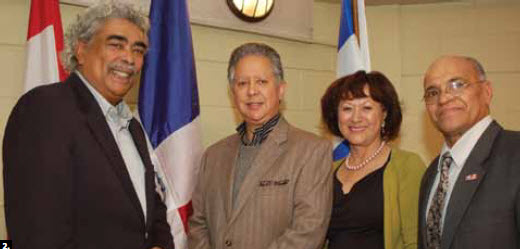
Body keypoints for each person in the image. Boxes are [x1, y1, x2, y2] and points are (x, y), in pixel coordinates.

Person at [2, 2, 174, 249]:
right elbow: (39, 234)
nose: (129, 58)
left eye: (138, 50)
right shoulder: (45, 109)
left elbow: (152, 209)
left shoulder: (133, 126)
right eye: (116, 45)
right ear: (81, 51)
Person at [188, 42, 333, 249]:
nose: (252, 91)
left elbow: (308, 231)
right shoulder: (213, 155)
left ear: (281, 90)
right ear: (232, 92)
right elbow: (198, 225)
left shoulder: (312, 151)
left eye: (262, 82)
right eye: (242, 83)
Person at [418, 55, 520, 249]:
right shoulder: (432, 174)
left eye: (457, 84)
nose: (444, 98)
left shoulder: (515, 154)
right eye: (432, 92)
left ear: (487, 92)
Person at [321, 70, 426, 249]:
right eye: (347, 108)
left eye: (367, 108)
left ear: (384, 113)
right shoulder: (327, 171)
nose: (355, 117)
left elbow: (416, 241)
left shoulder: (407, 165)